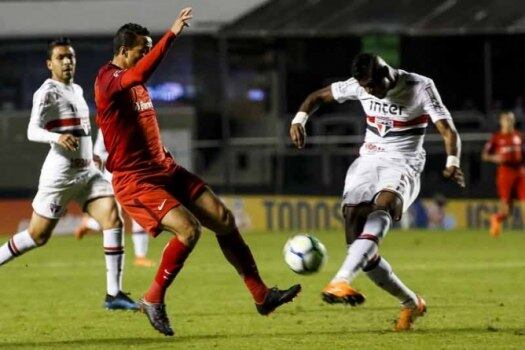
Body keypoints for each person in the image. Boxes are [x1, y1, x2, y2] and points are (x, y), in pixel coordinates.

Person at [94, 8, 300, 336]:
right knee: (189, 231)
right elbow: (138, 75)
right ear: (123, 51)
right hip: (136, 180)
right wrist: (171, 34)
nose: (146, 56)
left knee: (223, 219)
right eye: (141, 50)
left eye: (149, 50)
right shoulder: (108, 79)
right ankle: (152, 299)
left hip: (166, 168)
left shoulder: (135, 84)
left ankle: (262, 296)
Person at [290, 53, 465, 331]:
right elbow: (318, 97)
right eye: (365, 87)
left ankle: (340, 280)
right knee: (360, 244)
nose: (369, 91)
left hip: (403, 164)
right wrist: (299, 119)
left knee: (383, 206)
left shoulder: (420, 86)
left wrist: (452, 161)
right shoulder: (360, 85)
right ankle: (411, 303)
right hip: (368, 162)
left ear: (387, 73)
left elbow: (447, 129)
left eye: (373, 85)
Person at [0, 38, 137, 310]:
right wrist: (56, 137)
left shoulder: (76, 88)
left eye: (70, 57)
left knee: (113, 217)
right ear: (49, 63)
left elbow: (82, 129)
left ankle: (114, 295)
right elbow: (31, 131)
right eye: (61, 57)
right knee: (38, 236)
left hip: (87, 172)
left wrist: (91, 154)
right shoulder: (47, 92)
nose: (67, 62)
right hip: (59, 177)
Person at [74, 129, 155, 267]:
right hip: (114, 176)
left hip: (132, 175)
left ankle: (140, 256)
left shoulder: (137, 123)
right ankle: (90, 223)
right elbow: (99, 152)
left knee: (139, 212)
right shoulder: (107, 125)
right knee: (112, 216)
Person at [482, 111, 525, 237]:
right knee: (507, 211)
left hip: (520, 173)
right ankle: (496, 218)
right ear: (501, 122)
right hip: (505, 175)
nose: (509, 122)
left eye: (511, 120)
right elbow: (485, 155)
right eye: (506, 120)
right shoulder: (496, 138)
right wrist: (495, 158)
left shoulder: (519, 136)